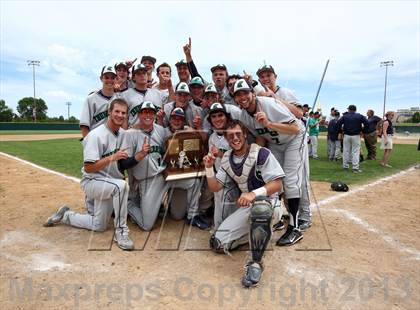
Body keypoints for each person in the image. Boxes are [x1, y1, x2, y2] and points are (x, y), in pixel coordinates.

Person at [44, 98, 134, 250]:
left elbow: (123, 162)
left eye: (123, 113)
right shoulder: (96, 135)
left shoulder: (123, 134)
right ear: (109, 112)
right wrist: (112, 157)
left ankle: (66, 215)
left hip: (108, 183)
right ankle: (122, 232)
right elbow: (89, 168)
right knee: (122, 187)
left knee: (98, 225)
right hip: (92, 181)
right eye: (117, 111)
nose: (120, 115)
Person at [203, 120, 284, 287]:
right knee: (218, 244)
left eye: (238, 134)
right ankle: (259, 233)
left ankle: (255, 263)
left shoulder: (261, 153)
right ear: (226, 138)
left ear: (245, 135)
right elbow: (214, 187)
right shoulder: (226, 158)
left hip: (269, 203)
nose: (235, 138)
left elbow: (277, 184)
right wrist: (209, 168)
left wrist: (253, 194)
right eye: (230, 136)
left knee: (261, 209)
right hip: (248, 206)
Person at [233, 79, 310, 244]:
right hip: (276, 142)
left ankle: (295, 227)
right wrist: (254, 157)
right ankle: (278, 217)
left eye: (245, 92)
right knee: (272, 179)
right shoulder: (243, 115)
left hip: (294, 139)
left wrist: (269, 123)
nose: (242, 97)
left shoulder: (268, 104)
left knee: (290, 181)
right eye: (238, 95)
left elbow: (295, 128)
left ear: (253, 93)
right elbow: (261, 135)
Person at [122, 101, 169, 231]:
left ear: (154, 115)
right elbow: (124, 164)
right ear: (139, 115)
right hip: (146, 180)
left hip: (164, 175)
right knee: (147, 225)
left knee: (191, 182)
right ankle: (126, 203)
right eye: (144, 112)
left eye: (151, 112)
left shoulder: (161, 130)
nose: (148, 115)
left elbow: (168, 151)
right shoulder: (130, 134)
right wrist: (140, 155)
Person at [164, 107, 210, 229]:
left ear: (184, 121)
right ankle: (158, 207)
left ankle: (192, 215)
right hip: (161, 176)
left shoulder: (188, 132)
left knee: (178, 215)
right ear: (169, 119)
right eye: (174, 118)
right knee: (174, 215)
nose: (177, 121)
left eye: (180, 119)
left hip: (178, 175)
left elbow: (201, 142)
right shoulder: (162, 131)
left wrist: (195, 130)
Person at [80, 65, 118, 138]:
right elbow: (84, 126)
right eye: (106, 77)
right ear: (101, 79)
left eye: (112, 78)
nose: (109, 80)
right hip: (96, 140)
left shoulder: (119, 99)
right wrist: (89, 144)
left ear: (116, 79)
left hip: (114, 140)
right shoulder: (91, 99)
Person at [336, 105, 369, 173]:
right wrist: (363, 131)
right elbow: (367, 123)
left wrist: (341, 131)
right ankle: (355, 168)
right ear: (355, 110)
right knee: (355, 152)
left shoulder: (345, 116)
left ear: (349, 110)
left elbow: (338, 124)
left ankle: (345, 167)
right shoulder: (360, 116)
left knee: (346, 151)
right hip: (356, 135)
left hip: (346, 135)